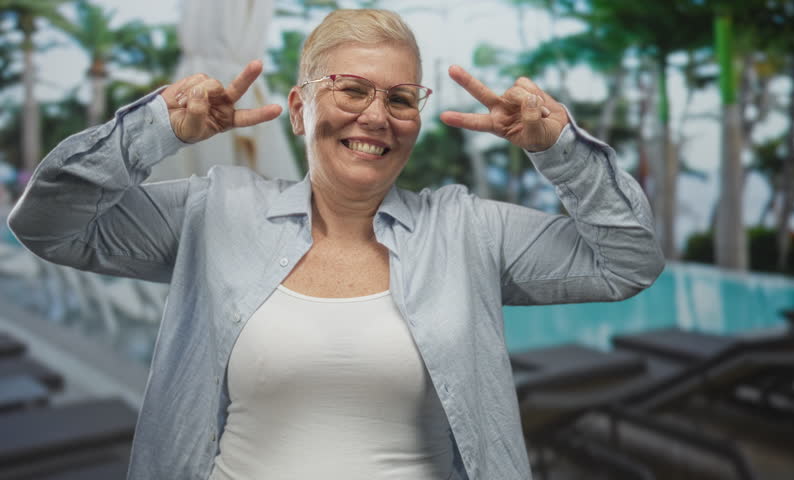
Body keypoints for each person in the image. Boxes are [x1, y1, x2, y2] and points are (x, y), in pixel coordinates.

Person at [7, 8, 664, 480]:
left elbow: (626, 261)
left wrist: (561, 151)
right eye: (351, 89)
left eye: (401, 98)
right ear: (298, 108)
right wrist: (154, 130)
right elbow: (45, 223)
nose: (376, 115)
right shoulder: (217, 211)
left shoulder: (467, 229)